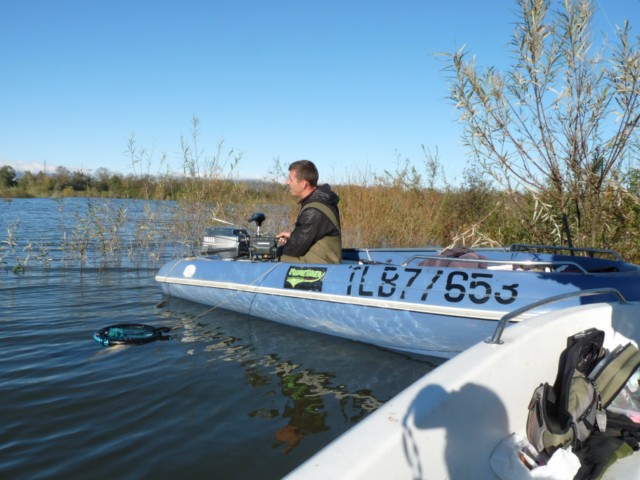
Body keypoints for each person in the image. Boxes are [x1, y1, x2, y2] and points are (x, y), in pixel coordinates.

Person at [276, 160, 342, 264]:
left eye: (290, 179)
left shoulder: (313, 211)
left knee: (272, 257)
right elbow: (312, 233)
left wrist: (271, 251)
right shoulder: (321, 200)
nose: (287, 182)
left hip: (322, 264)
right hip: (325, 259)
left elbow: (293, 250)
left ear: (303, 184)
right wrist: (293, 236)